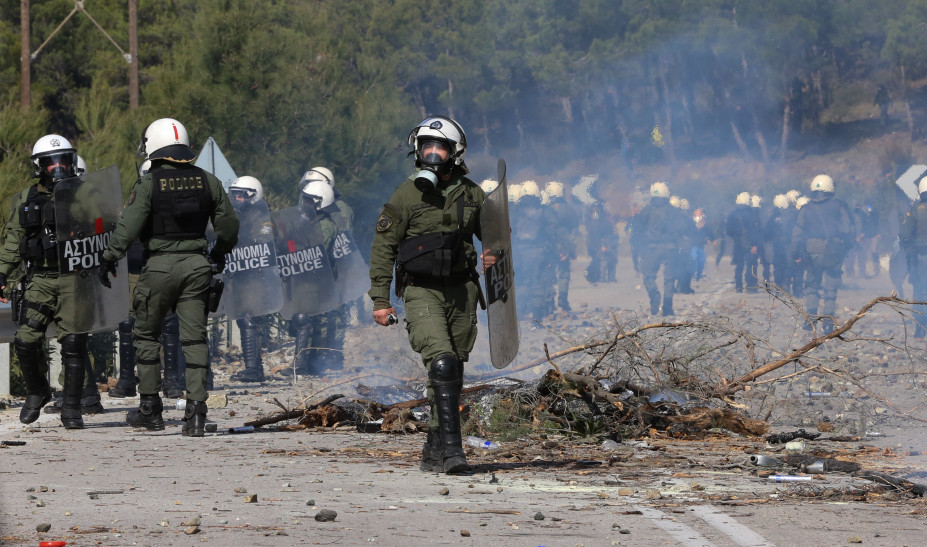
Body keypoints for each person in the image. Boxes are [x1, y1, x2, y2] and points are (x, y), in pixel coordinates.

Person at [99, 118, 239, 436]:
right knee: (194, 338)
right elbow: (230, 228)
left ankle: (150, 410)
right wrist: (217, 255)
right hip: (197, 267)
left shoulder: (148, 183)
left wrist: (108, 258)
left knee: (147, 336)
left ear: (154, 147)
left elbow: (128, 228)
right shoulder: (208, 181)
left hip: (158, 268)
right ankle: (197, 413)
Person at [369, 115, 486, 474]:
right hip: (421, 292)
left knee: (453, 369)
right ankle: (454, 452)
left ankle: (434, 446)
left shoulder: (472, 194)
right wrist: (380, 299)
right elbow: (383, 247)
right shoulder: (405, 195)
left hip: (462, 290)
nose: (432, 153)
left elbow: (496, 236)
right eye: (426, 147)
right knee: (442, 361)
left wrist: (494, 250)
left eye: (440, 147)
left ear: (455, 153)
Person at [0, 134, 93, 428]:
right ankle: (37, 391)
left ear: (71, 161)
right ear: (40, 166)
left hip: (75, 278)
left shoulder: (88, 194)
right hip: (40, 277)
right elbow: (14, 239)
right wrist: (2, 273)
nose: (57, 167)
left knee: (74, 343)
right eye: (50, 163)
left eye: (63, 160)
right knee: (26, 340)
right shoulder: (26, 198)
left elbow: (106, 233)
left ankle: (72, 409)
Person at [300, 166, 354, 371]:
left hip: (333, 272)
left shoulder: (338, 212)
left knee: (333, 317)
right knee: (316, 317)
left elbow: (339, 242)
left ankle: (331, 356)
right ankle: (314, 358)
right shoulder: (308, 217)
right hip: (313, 274)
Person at [791, 174, 853, 334]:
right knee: (830, 287)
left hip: (812, 251)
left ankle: (811, 319)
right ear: (830, 188)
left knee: (811, 284)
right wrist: (844, 247)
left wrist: (795, 253)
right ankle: (828, 322)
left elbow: (797, 232)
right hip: (833, 250)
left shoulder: (806, 208)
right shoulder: (840, 206)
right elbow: (848, 230)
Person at [288, 180, 338, 374]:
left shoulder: (326, 226)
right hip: (304, 279)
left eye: (309, 201)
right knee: (303, 320)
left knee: (307, 320)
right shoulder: (307, 223)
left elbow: (316, 251)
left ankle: (303, 365)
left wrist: (295, 244)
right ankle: (307, 364)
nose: (305, 204)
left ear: (320, 203)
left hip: (318, 282)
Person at [227, 175, 274, 383]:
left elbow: (265, 242)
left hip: (255, 274)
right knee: (241, 316)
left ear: (253, 197)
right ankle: (254, 367)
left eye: (241, 196)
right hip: (238, 272)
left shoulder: (261, 218)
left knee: (249, 318)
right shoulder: (234, 216)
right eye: (234, 195)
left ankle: (254, 369)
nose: (236, 199)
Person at [629, 181, 692, 316]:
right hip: (670, 248)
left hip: (651, 248)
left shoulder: (647, 210)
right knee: (669, 279)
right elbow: (683, 228)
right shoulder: (674, 210)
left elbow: (637, 228)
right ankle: (667, 306)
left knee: (648, 276)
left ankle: (654, 295)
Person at [545, 181, 579, 312]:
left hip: (550, 246)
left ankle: (549, 302)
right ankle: (563, 299)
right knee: (564, 274)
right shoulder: (569, 208)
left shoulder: (546, 209)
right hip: (565, 246)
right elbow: (574, 228)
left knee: (549, 273)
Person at [899, 177, 927, 337]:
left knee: (920, 290)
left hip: (920, 257)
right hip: (919, 256)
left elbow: (904, 235)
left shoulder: (915, 210)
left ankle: (920, 327)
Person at [726, 192, 761, 293]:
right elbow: (755, 231)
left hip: (738, 244)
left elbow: (728, 231)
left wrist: (737, 237)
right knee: (751, 266)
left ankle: (738, 287)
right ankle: (751, 287)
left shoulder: (732, 214)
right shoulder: (752, 214)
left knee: (739, 266)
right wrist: (755, 244)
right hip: (750, 244)